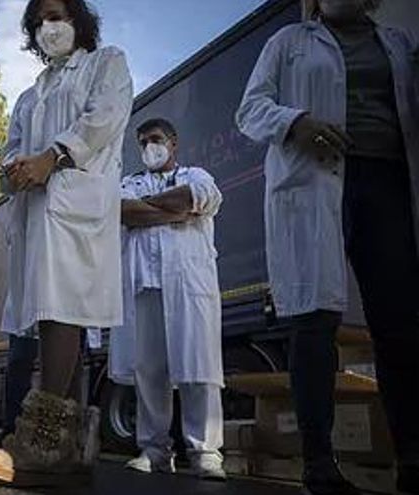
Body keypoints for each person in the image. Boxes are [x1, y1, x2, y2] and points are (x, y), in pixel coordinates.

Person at [236, 0, 419, 493]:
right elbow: (250, 110)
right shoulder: (288, 44)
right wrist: (297, 123)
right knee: (314, 320)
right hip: (315, 182)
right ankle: (320, 464)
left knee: (399, 325)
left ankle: (413, 459)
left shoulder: (398, 45)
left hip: (387, 184)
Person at [0, 0, 133, 485]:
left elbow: (103, 120)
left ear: (79, 21)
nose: (49, 27)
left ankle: (40, 440)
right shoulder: (31, 92)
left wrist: (52, 157)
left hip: (78, 204)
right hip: (37, 211)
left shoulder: (107, 62)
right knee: (49, 315)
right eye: (40, 21)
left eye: (58, 16)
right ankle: (66, 451)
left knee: (64, 311)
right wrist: (16, 170)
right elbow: (12, 150)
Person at [112, 118, 226, 481]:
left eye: (156, 140)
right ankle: (155, 449)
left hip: (189, 282)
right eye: (143, 142)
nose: (149, 147)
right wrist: (173, 210)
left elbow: (199, 199)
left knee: (198, 364)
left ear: (173, 143)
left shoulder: (197, 174)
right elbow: (122, 211)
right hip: (145, 282)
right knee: (150, 370)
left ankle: (205, 451)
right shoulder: (129, 183)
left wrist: (151, 208)